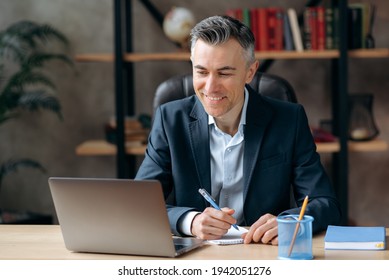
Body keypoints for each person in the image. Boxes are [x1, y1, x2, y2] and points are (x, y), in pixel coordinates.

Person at [135, 15, 341, 245]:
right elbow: (139, 205)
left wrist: (290, 222)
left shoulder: (288, 120)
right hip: (197, 255)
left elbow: (325, 203)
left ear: (250, 72)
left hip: (262, 251)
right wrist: (189, 221)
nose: (211, 87)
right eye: (201, 72)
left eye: (224, 73)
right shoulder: (169, 119)